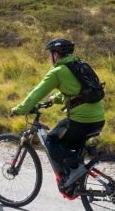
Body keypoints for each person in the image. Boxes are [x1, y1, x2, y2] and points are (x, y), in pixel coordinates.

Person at [10, 37, 107, 196]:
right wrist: (56, 99)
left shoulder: (57, 71)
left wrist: (20, 109)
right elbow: (79, 92)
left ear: (56, 55)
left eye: (50, 54)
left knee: (51, 141)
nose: (50, 58)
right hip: (98, 119)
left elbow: (36, 94)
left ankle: (73, 173)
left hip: (82, 121)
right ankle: (74, 181)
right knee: (68, 142)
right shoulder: (79, 65)